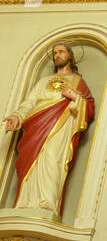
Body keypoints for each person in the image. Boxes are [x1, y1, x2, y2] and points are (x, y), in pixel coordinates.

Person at [3, 41, 94, 220]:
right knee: (33, 163)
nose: (57, 55)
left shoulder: (77, 81)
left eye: (61, 52)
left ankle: (47, 204)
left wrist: (75, 96)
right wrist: (17, 116)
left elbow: (88, 106)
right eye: (55, 53)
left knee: (52, 161)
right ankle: (26, 203)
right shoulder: (44, 81)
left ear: (69, 56)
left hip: (60, 126)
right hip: (36, 126)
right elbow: (29, 103)